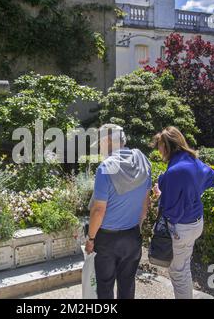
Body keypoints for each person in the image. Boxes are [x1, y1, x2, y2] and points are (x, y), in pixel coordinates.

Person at [85, 124, 152, 299]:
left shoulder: (105, 167)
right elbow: (146, 203)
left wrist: (91, 238)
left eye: (100, 142)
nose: (99, 147)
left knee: (105, 287)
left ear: (108, 141)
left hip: (107, 239)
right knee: (127, 284)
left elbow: (99, 210)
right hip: (132, 235)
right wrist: (137, 227)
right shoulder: (143, 161)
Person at [152, 127, 214, 299]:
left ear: (168, 146)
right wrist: (192, 194)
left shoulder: (174, 171)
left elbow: (170, 210)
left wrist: (160, 195)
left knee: (177, 272)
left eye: (159, 146)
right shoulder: (194, 160)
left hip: (182, 228)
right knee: (183, 267)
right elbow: (211, 177)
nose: (158, 150)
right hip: (196, 222)